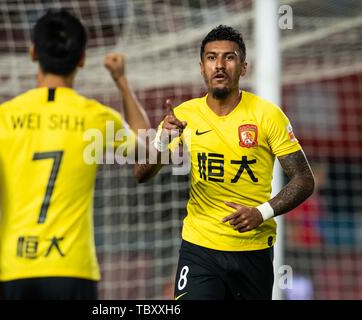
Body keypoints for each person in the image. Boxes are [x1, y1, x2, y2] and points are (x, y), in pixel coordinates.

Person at [0, 9, 150, 300]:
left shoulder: (0, 117)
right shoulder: (96, 117)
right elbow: (146, 149)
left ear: (33, 52)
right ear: (81, 59)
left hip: (17, 269)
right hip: (72, 268)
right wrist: (121, 81)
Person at [133, 25, 315, 300]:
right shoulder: (183, 116)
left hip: (253, 250)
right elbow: (141, 174)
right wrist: (161, 141)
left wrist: (261, 212)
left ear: (243, 67)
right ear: (201, 67)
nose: (219, 65)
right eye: (211, 57)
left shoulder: (267, 116)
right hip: (200, 248)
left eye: (229, 58)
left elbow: (304, 179)